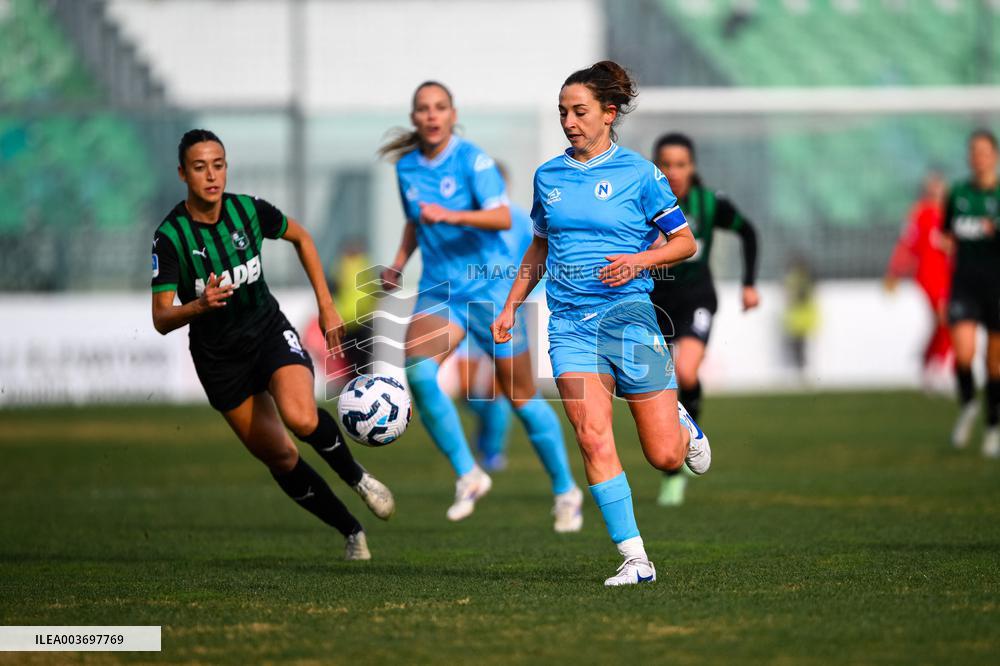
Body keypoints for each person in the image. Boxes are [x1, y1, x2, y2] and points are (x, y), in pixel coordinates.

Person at [492, 61, 712, 586]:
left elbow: (685, 242)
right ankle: (636, 558)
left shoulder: (640, 173)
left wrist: (638, 260)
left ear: (608, 114)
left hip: (631, 317)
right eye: (564, 112)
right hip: (569, 323)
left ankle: (680, 421)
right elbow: (540, 247)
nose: (570, 121)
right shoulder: (549, 176)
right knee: (592, 437)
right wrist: (509, 305)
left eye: (580, 111)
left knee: (663, 457)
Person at [151, 129, 395, 561]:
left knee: (301, 419)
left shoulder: (248, 211)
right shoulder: (171, 237)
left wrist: (326, 305)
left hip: (267, 332)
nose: (211, 175)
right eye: (200, 167)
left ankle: (358, 478)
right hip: (219, 359)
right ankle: (351, 530)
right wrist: (200, 305)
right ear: (182, 173)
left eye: (218, 165)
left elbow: (302, 237)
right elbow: (161, 318)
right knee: (280, 455)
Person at [378, 82, 583, 529]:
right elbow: (416, 221)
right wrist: (397, 263)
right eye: (423, 109)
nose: (432, 116)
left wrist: (451, 215)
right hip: (439, 291)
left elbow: (502, 217)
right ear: (414, 118)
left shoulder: (474, 160)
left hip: (489, 292)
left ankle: (566, 489)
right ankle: (469, 474)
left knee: (522, 397)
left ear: (453, 114)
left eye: (440, 108)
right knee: (419, 372)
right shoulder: (407, 168)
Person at [648, 133, 759, 507]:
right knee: (655, 387)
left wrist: (749, 284)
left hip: (696, 298)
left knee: (688, 373)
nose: (674, 171)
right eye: (666, 164)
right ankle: (674, 461)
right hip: (652, 301)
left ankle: (681, 460)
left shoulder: (709, 204)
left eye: (681, 164)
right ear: (655, 166)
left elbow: (749, 232)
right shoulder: (641, 201)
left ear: (692, 167)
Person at [454, 161, 535, 472]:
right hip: (467, 309)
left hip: (506, 312)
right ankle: (487, 427)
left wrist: (520, 303)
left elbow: (536, 261)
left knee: (501, 387)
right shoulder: (467, 220)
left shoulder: (519, 221)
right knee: (465, 390)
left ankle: (493, 452)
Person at [942, 129, 1000, 458]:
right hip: (964, 284)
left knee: (994, 365)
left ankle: (993, 427)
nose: (978, 157)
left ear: (994, 156)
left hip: (997, 286)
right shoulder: (958, 193)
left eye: (984, 151)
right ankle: (968, 406)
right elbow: (947, 233)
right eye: (973, 151)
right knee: (963, 353)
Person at [885, 172, 952, 391]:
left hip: (949, 275)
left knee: (946, 321)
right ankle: (936, 367)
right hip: (928, 275)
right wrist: (895, 270)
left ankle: (929, 361)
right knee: (945, 318)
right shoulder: (921, 213)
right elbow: (908, 242)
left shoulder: (951, 212)